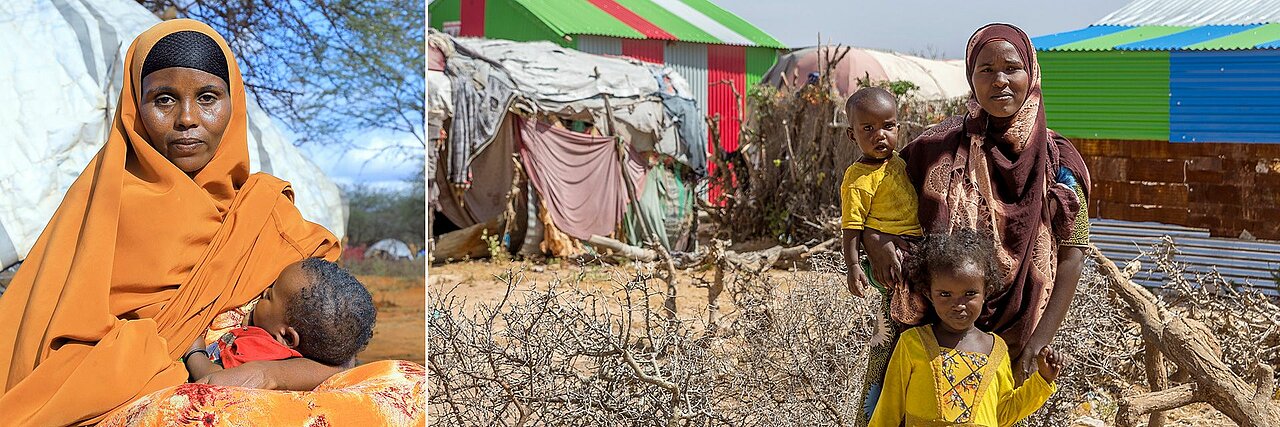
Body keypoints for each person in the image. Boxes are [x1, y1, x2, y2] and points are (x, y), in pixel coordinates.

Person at [0, 20, 343, 426]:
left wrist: (265, 375)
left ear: (234, 106)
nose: (187, 118)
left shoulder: (270, 218)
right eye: (163, 99)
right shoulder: (99, 203)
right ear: (134, 109)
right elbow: (41, 353)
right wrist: (160, 360)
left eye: (208, 97)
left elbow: (338, 355)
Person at [861, 23, 1091, 386]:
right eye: (986, 69)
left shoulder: (1059, 161)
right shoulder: (934, 147)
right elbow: (873, 195)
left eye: (1012, 68)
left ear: (1030, 73)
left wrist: (1038, 342)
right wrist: (875, 239)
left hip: (1015, 339)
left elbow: (1074, 254)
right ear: (971, 77)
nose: (999, 80)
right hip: (921, 331)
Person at [869, 229, 1064, 427]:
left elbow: (1003, 414)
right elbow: (888, 411)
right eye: (945, 294)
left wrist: (1042, 380)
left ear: (985, 292)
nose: (959, 304)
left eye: (970, 293)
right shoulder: (912, 343)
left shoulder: (997, 351)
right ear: (929, 294)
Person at [837, 87, 929, 425]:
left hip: (913, 248)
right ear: (852, 135)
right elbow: (852, 227)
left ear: (899, 128)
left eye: (888, 126)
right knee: (899, 320)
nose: (880, 136)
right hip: (891, 262)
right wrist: (852, 268)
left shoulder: (901, 162)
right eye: (868, 129)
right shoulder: (858, 178)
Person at [184, 258, 376, 380]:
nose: (264, 292)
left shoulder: (258, 349)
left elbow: (213, 379)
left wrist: (195, 351)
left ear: (286, 337)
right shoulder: (307, 356)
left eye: (269, 297)